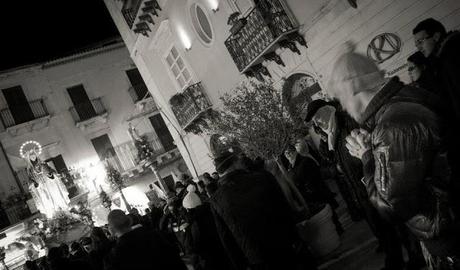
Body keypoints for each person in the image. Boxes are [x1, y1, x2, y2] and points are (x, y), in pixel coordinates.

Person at [328, 49, 458, 269]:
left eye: (341, 97)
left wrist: (367, 157)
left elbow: (392, 206)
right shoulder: (402, 100)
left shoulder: (393, 125)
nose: (342, 106)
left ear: (352, 88)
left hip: (450, 237)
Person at [208, 135, 314, 270]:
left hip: (257, 260)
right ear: (235, 162)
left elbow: (227, 241)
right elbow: (285, 210)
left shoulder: (216, 200)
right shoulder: (263, 177)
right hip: (285, 247)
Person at [284, 144, 344, 235]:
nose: (287, 155)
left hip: (316, 193)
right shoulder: (290, 166)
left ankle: (338, 230)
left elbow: (314, 178)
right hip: (309, 196)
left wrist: (308, 190)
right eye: (285, 153)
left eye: (289, 152)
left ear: (294, 151)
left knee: (329, 214)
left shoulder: (305, 161)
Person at [106, 209, 186, 270]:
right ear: (129, 221)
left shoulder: (116, 254)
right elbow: (173, 258)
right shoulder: (153, 235)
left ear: (111, 229)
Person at [413, 18, 460, 120]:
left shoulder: (453, 53)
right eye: (416, 44)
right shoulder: (442, 58)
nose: (419, 48)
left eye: (420, 42)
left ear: (436, 36)